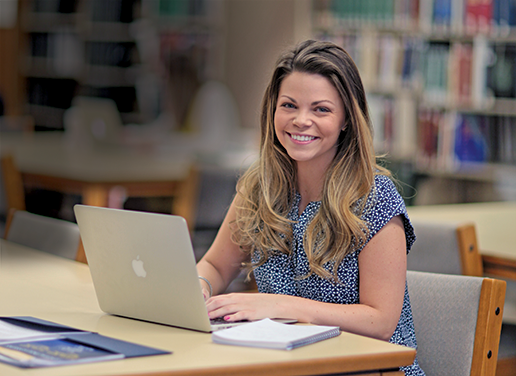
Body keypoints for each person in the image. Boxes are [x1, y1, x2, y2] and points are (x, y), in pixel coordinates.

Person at [196, 40, 425, 375]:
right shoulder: (259, 187)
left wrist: (280, 306)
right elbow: (216, 265)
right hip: (287, 366)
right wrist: (199, 288)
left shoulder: (375, 197)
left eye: (321, 109)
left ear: (347, 119)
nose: (301, 120)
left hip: (369, 370)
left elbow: (380, 322)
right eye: (289, 105)